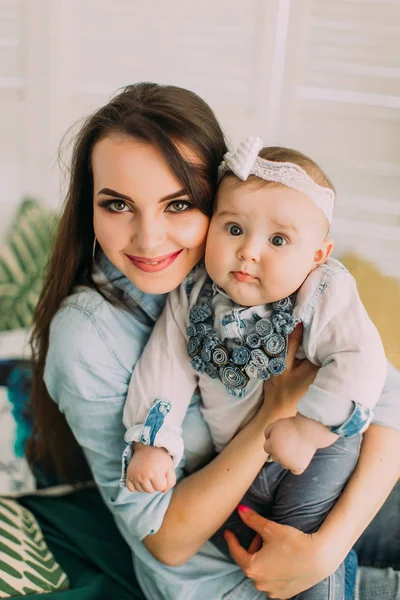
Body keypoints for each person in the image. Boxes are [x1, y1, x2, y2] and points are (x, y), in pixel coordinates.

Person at [27, 82, 400, 600]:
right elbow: (166, 542)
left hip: (330, 490)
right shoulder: (89, 335)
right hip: (229, 575)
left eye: (178, 204)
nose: (149, 239)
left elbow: (386, 398)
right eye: (117, 205)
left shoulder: (267, 276)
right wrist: (279, 408)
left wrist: (328, 549)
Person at [122, 139, 386, 599]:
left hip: (317, 453)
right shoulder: (193, 296)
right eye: (234, 229)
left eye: (278, 240)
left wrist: (307, 427)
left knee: (303, 554)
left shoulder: (321, 292)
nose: (249, 252)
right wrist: (153, 442)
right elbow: (164, 366)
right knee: (256, 556)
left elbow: (361, 360)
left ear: (318, 255)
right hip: (239, 469)